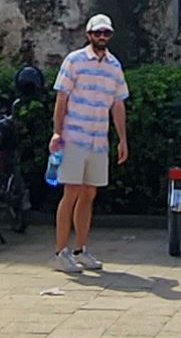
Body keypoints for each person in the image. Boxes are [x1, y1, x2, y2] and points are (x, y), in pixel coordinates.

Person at [51, 14, 128, 274]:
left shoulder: (114, 66)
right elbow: (62, 99)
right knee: (71, 191)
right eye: (98, 33)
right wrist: (57, 133)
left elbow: (118, 104)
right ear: (89, 35)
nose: (102, 37)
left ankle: (80, 249)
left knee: (89, 193)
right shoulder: (74, 61)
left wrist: (122, 139)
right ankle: (60, 252)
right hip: (74, 137)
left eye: (106, 33)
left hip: (98, 140)